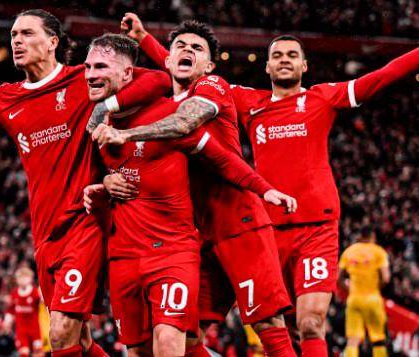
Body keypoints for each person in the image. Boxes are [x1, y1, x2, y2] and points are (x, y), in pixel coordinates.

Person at [100, 16, 418, 355]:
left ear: (305, 65)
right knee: (184, 334)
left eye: (292, 55)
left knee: (303, 322)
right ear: (266, 66)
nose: (284, 60)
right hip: (223, 228)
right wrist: (146, 38)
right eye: (277, 55)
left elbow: (380, 76)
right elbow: (186, 70)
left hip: (297, 224)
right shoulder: (250, 102)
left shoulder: (320, 98)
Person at [0, 9, 170, 356]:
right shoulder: (3, 100)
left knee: (60, 333)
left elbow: (161, 80)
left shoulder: (84, 80)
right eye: (14, 35)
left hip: (85, 221)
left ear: (52, 42)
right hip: (45, 234)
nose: (16, 41)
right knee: (80, 340)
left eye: (27, 34)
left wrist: (108, 105)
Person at [89, 17, 298, 357]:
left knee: (267, 325)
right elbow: (169, 72)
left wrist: (126, 133)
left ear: (210, 65)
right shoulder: (165, 101)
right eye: (180, 48)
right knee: (185, 338)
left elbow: (185, 123)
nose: (187, 51)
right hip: (194, 235)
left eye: (197, 49)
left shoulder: (213, 87)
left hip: (238, 224)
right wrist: (106, 180)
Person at [339, 228, 390, 357]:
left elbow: (338, 278)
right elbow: (386, 278)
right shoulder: (378, 252)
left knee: (353, 339)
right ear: (372, 236)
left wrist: (348, 289)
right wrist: (376, 287)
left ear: (360, 236)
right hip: (373, 298)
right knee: (378, 338)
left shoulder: (349, 252)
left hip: (354, 299)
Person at [3, 267, 43, 357]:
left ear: (30, 279)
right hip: (21, 330)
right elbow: (10, 310)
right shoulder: (14, 294)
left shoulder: (35, 292)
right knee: (23, 352)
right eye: (20, 278)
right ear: (17, 280)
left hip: (35, 329)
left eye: (25, 277)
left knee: (38, 353)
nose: (23, 280)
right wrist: (7, 321)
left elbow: (43, 303)